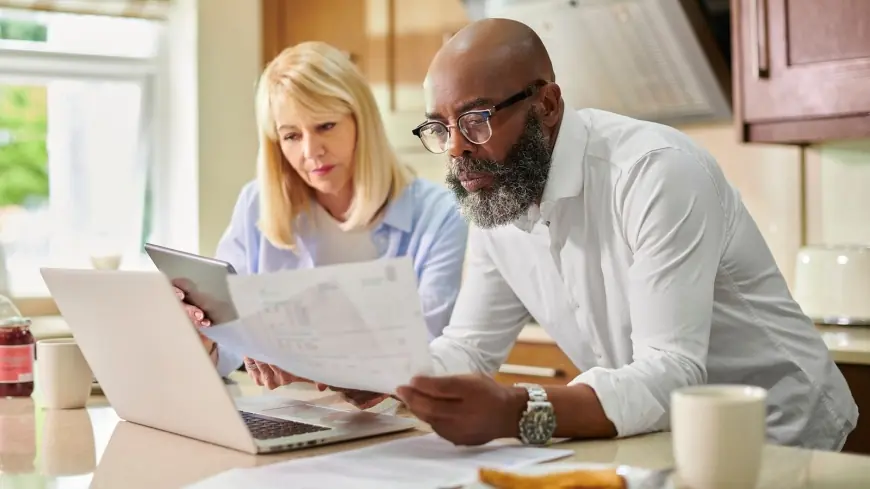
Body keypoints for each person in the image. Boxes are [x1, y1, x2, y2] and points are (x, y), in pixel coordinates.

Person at [392, 18, 858, 450]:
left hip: (781, 428)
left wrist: (518, 410)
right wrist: (386, 378)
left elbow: (672, 370)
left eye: (476, 120)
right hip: (660, 433)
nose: (455, 147)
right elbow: (469, 347)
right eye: (440, 127)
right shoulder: (498, 196)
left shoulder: (654, 171)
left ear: (547, 105)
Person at [177, 41, 468, 400]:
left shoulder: (438, 214)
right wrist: (205, 337)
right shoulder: (257, 204)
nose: (311, 151)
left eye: (326, 126)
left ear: (362, 121)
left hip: (399, 422)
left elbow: (430, 352)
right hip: (288, 417)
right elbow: (232, 343)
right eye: (291, 136)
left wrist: (312, 360)